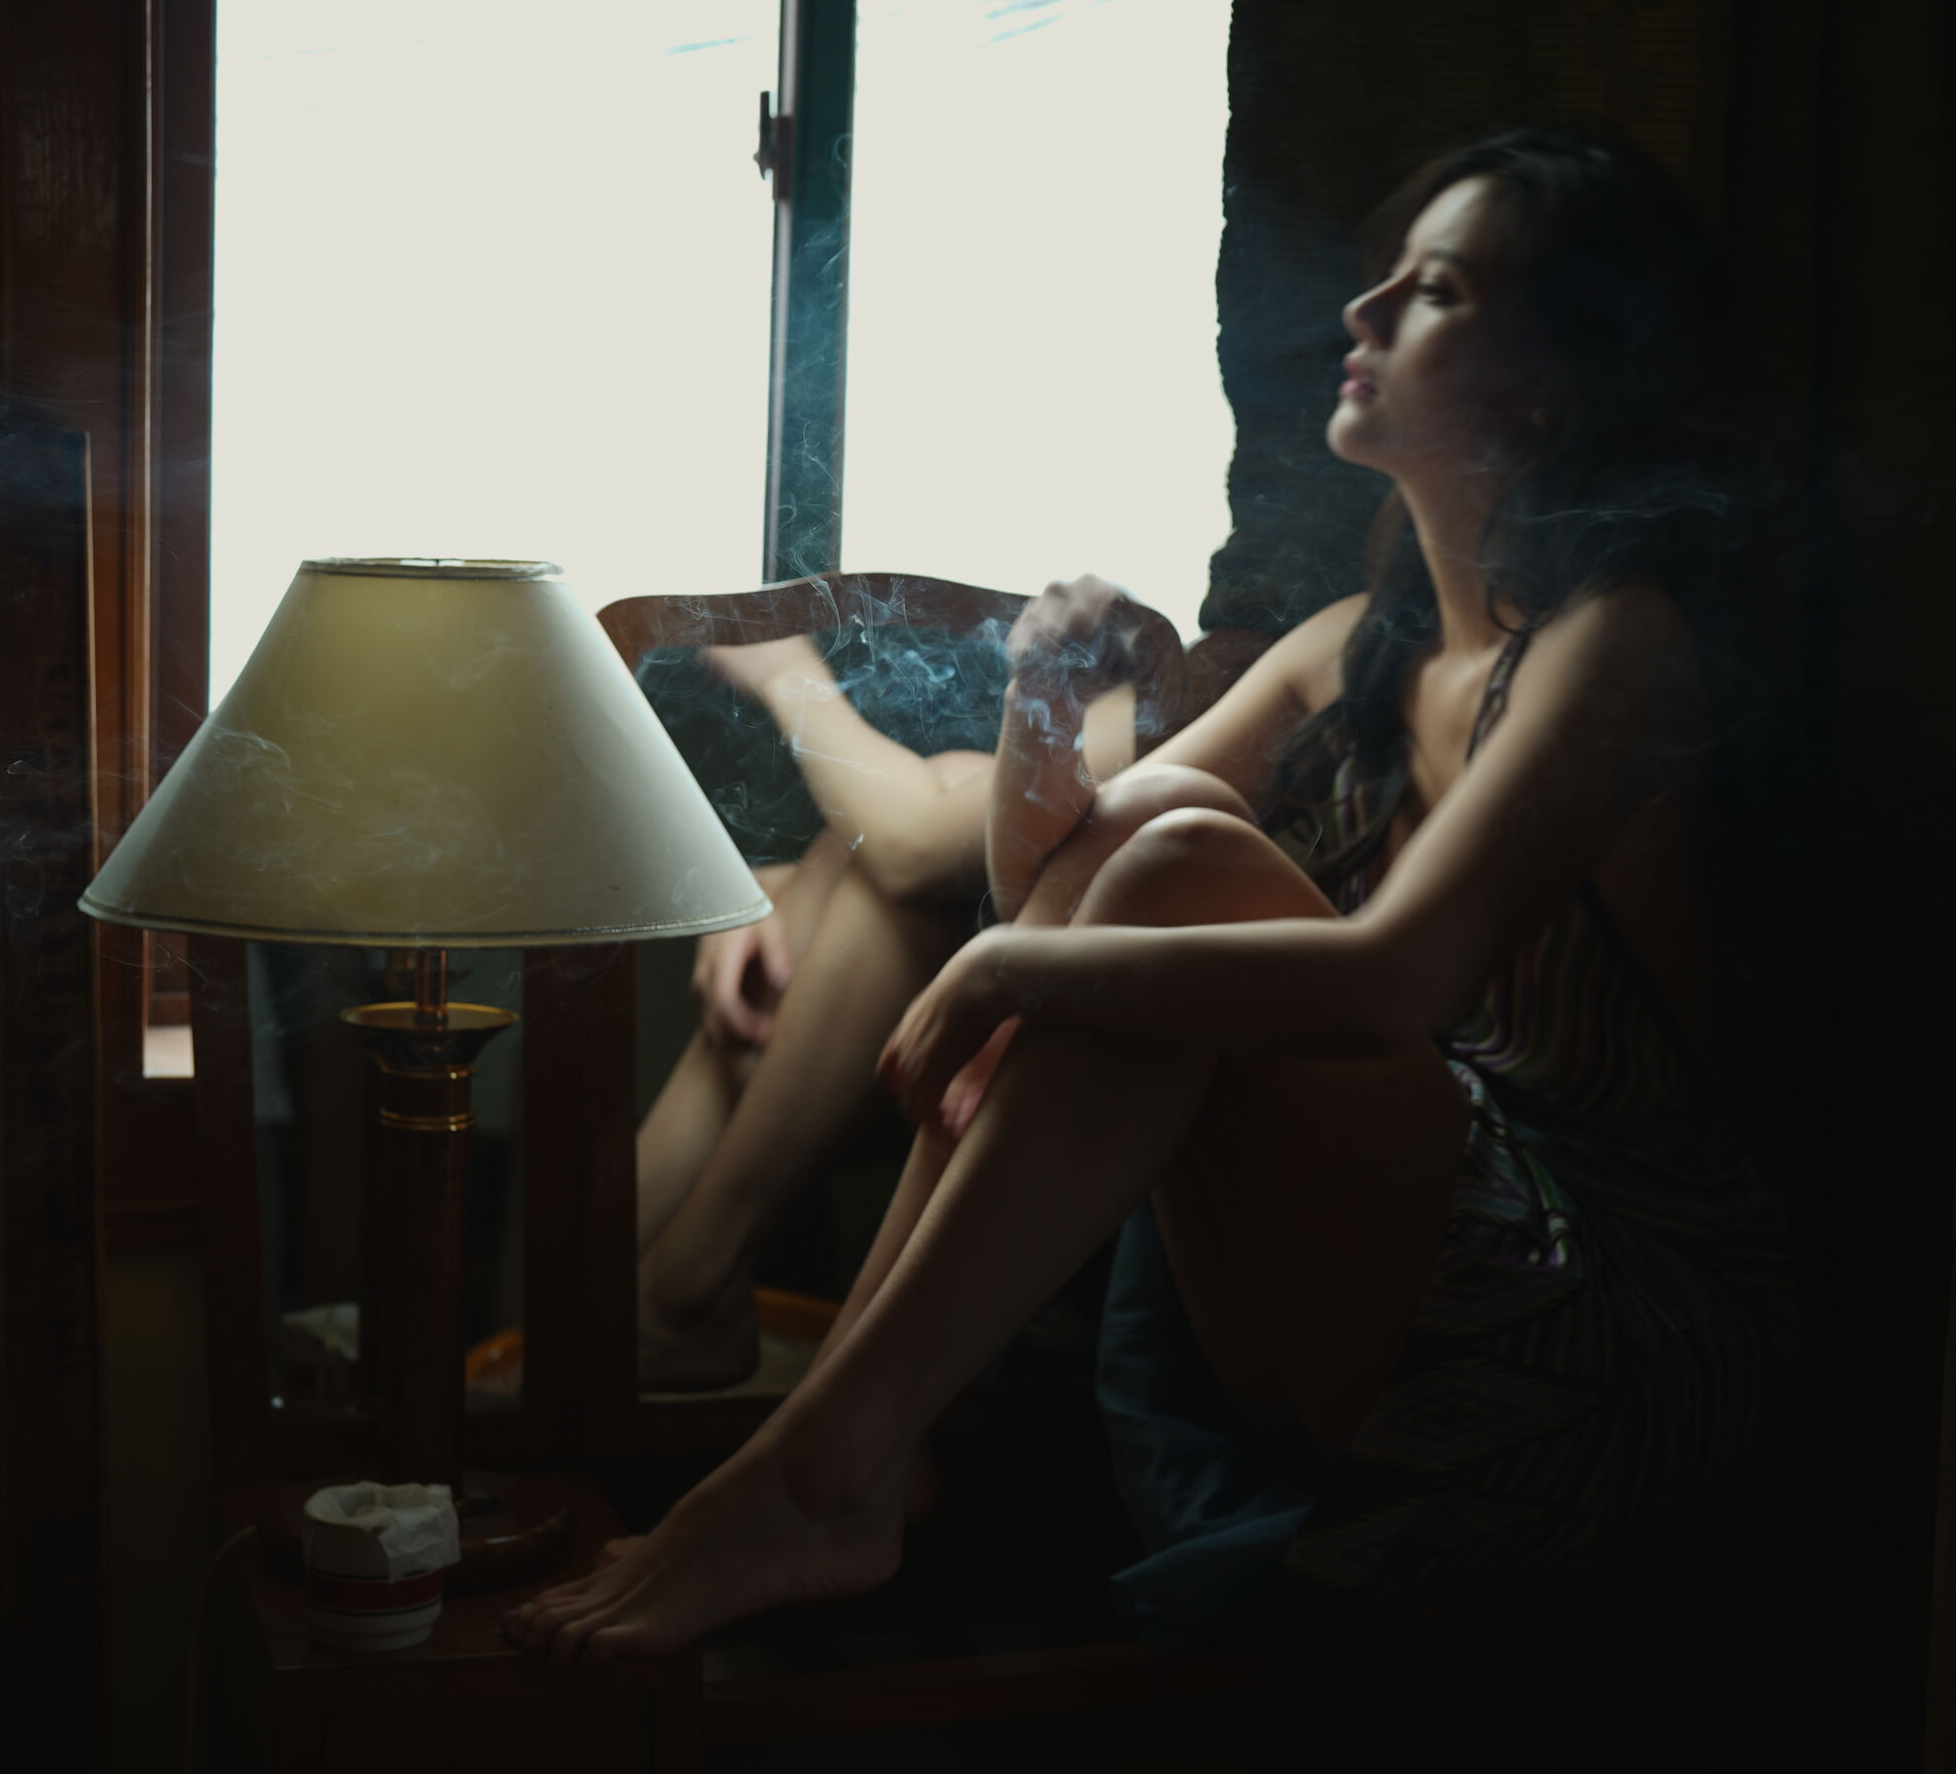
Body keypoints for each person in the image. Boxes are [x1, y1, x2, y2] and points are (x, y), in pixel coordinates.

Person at [508, 126, 1798, 1660]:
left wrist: (1001, 972)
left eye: (1437, 292)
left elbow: (1394, 979)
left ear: (1555, 383)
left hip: (1593, 1338)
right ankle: (840, 1455)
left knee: (1182, 853)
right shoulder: (1351, 648)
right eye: (1385, 277)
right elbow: (1056, 891)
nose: (1364, 310)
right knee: (1161, 824)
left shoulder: (1616, 645)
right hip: (1381, 1296)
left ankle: (827, 1463)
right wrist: (1046, 700)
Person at [633, 635, 1147, 1390]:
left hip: (1087, 1050)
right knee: (867, 845)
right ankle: (632, 1291)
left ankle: (668, 1289)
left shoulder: (1217, 685)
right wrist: (773, 889)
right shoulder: (1171, 685)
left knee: (914, 835)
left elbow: (913, 850)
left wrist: (785, 672)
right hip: (996, 1011)